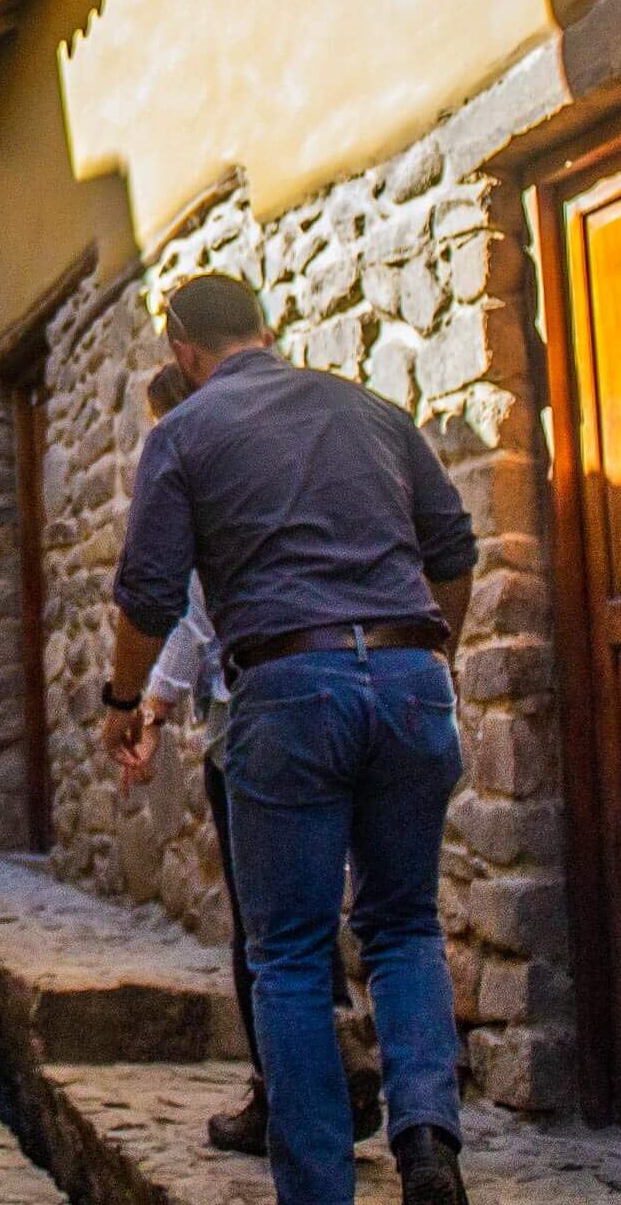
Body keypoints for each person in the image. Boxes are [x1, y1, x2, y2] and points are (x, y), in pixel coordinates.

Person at [100, 275, 476, 1205]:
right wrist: (434, 659)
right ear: (265, 329)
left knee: (293, 953)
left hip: (288, 685)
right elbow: (454, 552)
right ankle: (427, 1137)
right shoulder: (374, 410)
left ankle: (318, 1188)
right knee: (405, 923)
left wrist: (120, 700)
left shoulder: (182, 434)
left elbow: (148, 599)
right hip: (407, 676)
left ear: (183, 349)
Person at [118, 363, 382, 1157]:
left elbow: (190, 614)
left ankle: (288, 1101)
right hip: (367, 686)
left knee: (267, 930)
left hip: (259, 715)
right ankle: (380, 1094)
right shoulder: (305, 440)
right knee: (376, 916)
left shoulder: (194, 455)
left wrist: (146, 705)